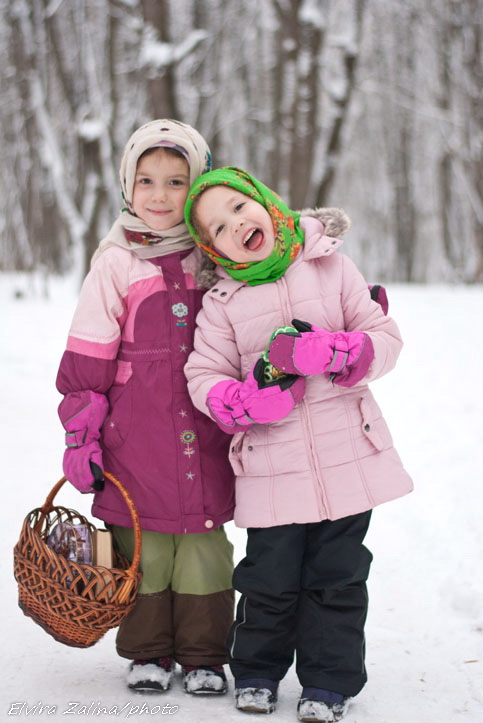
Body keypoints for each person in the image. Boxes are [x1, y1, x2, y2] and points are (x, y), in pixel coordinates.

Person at [183, 167, 413, 721]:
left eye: (239, 207)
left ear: (266, 200)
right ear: (210, 247)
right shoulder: (222, 301)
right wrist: (242, 400)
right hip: (271, 463)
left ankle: (328, 683)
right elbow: (202, 373)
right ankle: (258, 673)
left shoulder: (332, 266)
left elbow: (384, 337)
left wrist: (338, 353)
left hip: (345, 460)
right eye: (218, 226)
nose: (235, 224)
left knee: (337, 579)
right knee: (268, 580)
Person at [55, 120, 236, 695]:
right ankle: (149, 651)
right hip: (136, 436)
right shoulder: (115, 262)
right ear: (127, 184)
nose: (160, 196)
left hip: (206, 428)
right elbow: (88, 362)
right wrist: (82, 438)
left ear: (200, 184)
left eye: (177, 181)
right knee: (143, 545)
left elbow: (263, 301)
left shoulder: (216, 252)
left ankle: (206, 654)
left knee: (204, 544)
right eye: (147, 180)